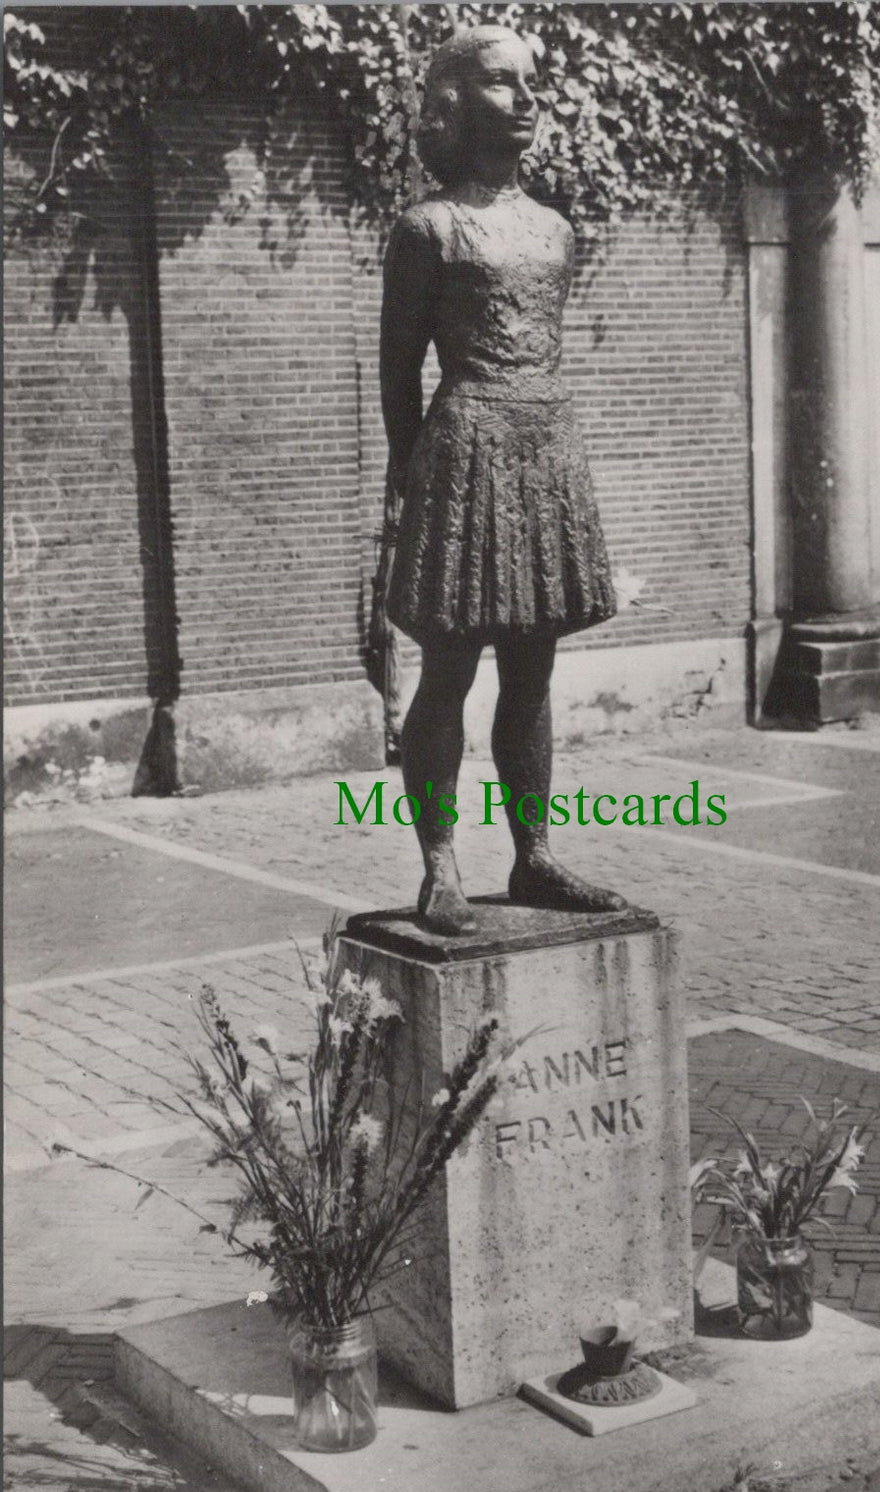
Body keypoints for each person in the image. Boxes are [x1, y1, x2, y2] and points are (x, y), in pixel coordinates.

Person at [380, 23, 627, 934]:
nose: (528, 100)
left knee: (533, 668)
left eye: (533, 83)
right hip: (466, 447)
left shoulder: (554, 230)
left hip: (546, 446)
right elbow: (399, 367)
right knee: (449, 666)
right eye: (501, 82)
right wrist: (414, 473)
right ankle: (441, 865)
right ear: (453, 102)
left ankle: (535, 856)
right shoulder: (429, 229)